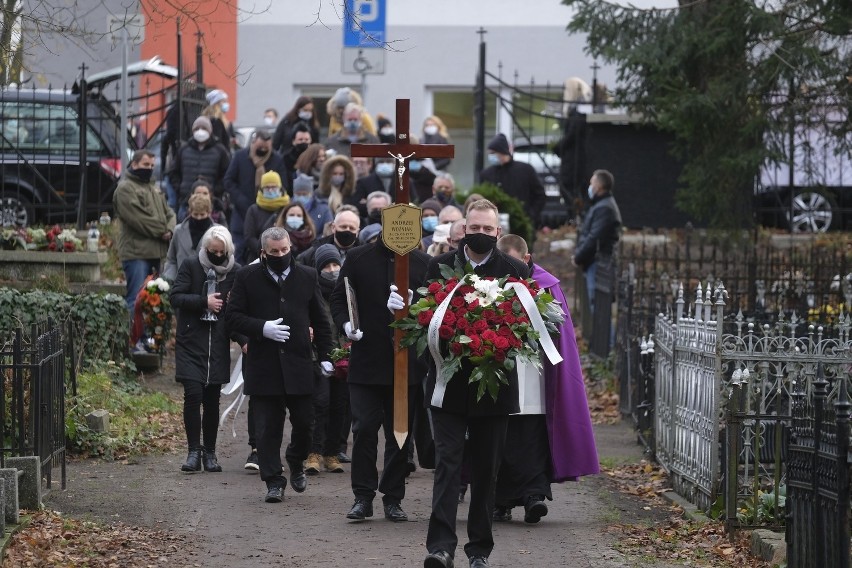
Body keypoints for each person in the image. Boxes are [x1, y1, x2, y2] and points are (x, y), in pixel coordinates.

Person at [422, 198, 530, 568]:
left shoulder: (514, 270)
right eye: (474, 228)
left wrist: (493, 345)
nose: (480, 234)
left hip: (494, 383)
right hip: (448, 382)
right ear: (463, 229)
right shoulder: (439, 267)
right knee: (447, 464)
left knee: (486, 469)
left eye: (487, 229)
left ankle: (479, 550)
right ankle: (440, 547)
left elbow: (526, 331)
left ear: (498, 232)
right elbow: (426, 322)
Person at [329, 221, 431, 523]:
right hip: (368, 361)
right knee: (363, 429)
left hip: (407, 365)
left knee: (400, 434)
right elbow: (340, 298)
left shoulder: (424, 264)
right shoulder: (359, 258)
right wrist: (348, 325)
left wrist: (416, 306)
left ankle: (393, 497)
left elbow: (436, 306)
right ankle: (363, 495)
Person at [493, 234, 599, 524]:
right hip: (498, 371)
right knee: (498, 437)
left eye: (514, 263)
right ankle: (499, 500)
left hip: (535, 375)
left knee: (532, 435)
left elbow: (560, 333)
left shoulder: (547, 285)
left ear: (526, 259)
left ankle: (534, 496)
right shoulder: (487, 284)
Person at [224, 226, 334, 503]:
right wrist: (261, 328)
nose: (281, 255)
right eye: (275, 252)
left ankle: (296, 462)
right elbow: (233, 316)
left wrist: (326, 356)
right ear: (264, 252)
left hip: (299, 364)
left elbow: (321, 320)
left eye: (285, 250)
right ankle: (273, 480)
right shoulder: (247, 277)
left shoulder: (307, 276)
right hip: (264, 365)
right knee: (267, 428)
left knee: (305, 423)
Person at [170, 226, 242, 473]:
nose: (217, 255)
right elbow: (176, 297)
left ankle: (210, 452)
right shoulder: (191, 265)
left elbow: (240, 309)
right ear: (206, 249)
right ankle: (193, 451)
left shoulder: (236, 272)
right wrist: (204, 301)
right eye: (213, 251)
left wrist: (243, 339)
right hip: (192, 341)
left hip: (219, 343)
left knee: (212, 399)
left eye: (221, 252)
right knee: (193, 395)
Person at [304, 244, 349, 475]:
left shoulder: (348, 291)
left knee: (339, 406)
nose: (331, 270)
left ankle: (333, 452)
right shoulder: (311, 291)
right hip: (317, 355)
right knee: (318, 405)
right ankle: (313, 452)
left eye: (335, 265)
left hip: (343, 356)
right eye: (326, 266)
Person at [113, 149, 176, 312]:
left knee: (154, 301)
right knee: (137, 299)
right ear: (134, 164)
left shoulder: (153, 188)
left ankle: (150, 337)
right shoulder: (125, 189)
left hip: (157, 253)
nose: (149, 168)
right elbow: (138, 219)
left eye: (152, 165)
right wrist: (164, 230)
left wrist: (170, 228)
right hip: (137, 254)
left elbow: (170, 213)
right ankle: (135, 337)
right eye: (145, 164)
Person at [223, 128, 287, 262]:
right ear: (253, 143)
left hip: (266, 216)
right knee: (238, 253)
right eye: (260, 147)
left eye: (266, 147)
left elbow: (283, 185)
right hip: (241, 213)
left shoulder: (276, 159)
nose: (263, 150)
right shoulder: (240, 156)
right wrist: (241, 200)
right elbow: (228, 181)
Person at [572, 169, 622, 310]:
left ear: (598, 186)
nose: (590, 186)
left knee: (599, 310)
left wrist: (578, 257)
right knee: (598, 309)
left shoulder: (604, 208)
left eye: (592, 183)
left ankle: (607, 334)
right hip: (598, 261)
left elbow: (594, 238)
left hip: (599, 263)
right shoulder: (602, 205)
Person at [169, 116, 231, 222]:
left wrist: (215, 191)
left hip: (211, 204)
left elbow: (227, 175)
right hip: (186, 202)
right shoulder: (184, 149)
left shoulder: (220, 150)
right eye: (197, 128)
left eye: (204, 128)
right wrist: (180, 189)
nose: (200, 131)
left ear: (210, 131)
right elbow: (173, 172)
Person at [480, 133, 546, 229]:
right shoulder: (486, 174)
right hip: (494, 223)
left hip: (522, 223)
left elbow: (540, 195)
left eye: (493, 153)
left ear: (502, 151)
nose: (491, 156)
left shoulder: (525, 170)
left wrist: (530, 215)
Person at [163, 193, 217, 282]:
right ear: (190, 212)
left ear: (209, 212)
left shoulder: (217, 232)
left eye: (202, 214)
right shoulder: (178, 230)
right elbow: (171, 260)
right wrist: (169, 280)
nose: (199, 218)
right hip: (182, 282)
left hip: (207, 283)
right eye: (195, 214)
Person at [243, 171, 290, 264]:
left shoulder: (287, 208)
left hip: (284, 256)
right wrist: (266, 251)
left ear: (280, 188)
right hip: (258, 258)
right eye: (267, 187)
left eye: (274, 187)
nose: (271, 190)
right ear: (261, 189)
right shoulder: (253, 210)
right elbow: (249, 237)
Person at [296, 208, 361, 268]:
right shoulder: (314, 252)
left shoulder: (365, 254)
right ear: (333, 227)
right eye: (343, 227)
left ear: (357, 232)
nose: (347, 230)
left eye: (352, 228)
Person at [281, 124, 313, 193]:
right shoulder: (286, 159)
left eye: (306, 140)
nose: (304, 142)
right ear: (293, 141)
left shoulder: (315, 158)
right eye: (300, 140)